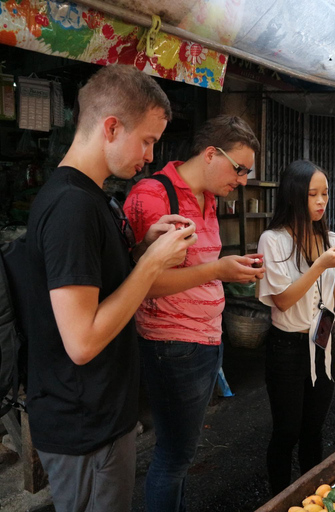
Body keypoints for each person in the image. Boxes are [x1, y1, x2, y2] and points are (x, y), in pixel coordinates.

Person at [25, 65, 196, 512]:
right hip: (85, 428)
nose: (151, 156)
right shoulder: (71, 207)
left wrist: (141, 250)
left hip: (100, 417)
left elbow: (100, 287)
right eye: (147, 140)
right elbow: (81, 342)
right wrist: (151, 267)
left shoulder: (92, 196)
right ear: (111, 127)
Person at [123, 115, 264, 512]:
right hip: (171, 344)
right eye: (240, 169)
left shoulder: (209, 199)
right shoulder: (152, 195)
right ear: (209, 154)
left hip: (205, 340)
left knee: (181, 453)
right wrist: (219, 269)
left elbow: (198, 267)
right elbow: (146, 282)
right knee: (173, 456)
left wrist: (231, 267)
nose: (243, 180)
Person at [258, 160, 335, 494]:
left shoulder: (329, 238)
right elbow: (284, 300)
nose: (321, 201)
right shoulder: (272, 240)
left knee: (313, 430)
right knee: (287, 432)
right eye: (312, 194)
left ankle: (313, 498)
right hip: (287, 347)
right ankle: (279, 499)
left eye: (325, 194)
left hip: (323, 343)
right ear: (293, 196)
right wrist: (321, 264)